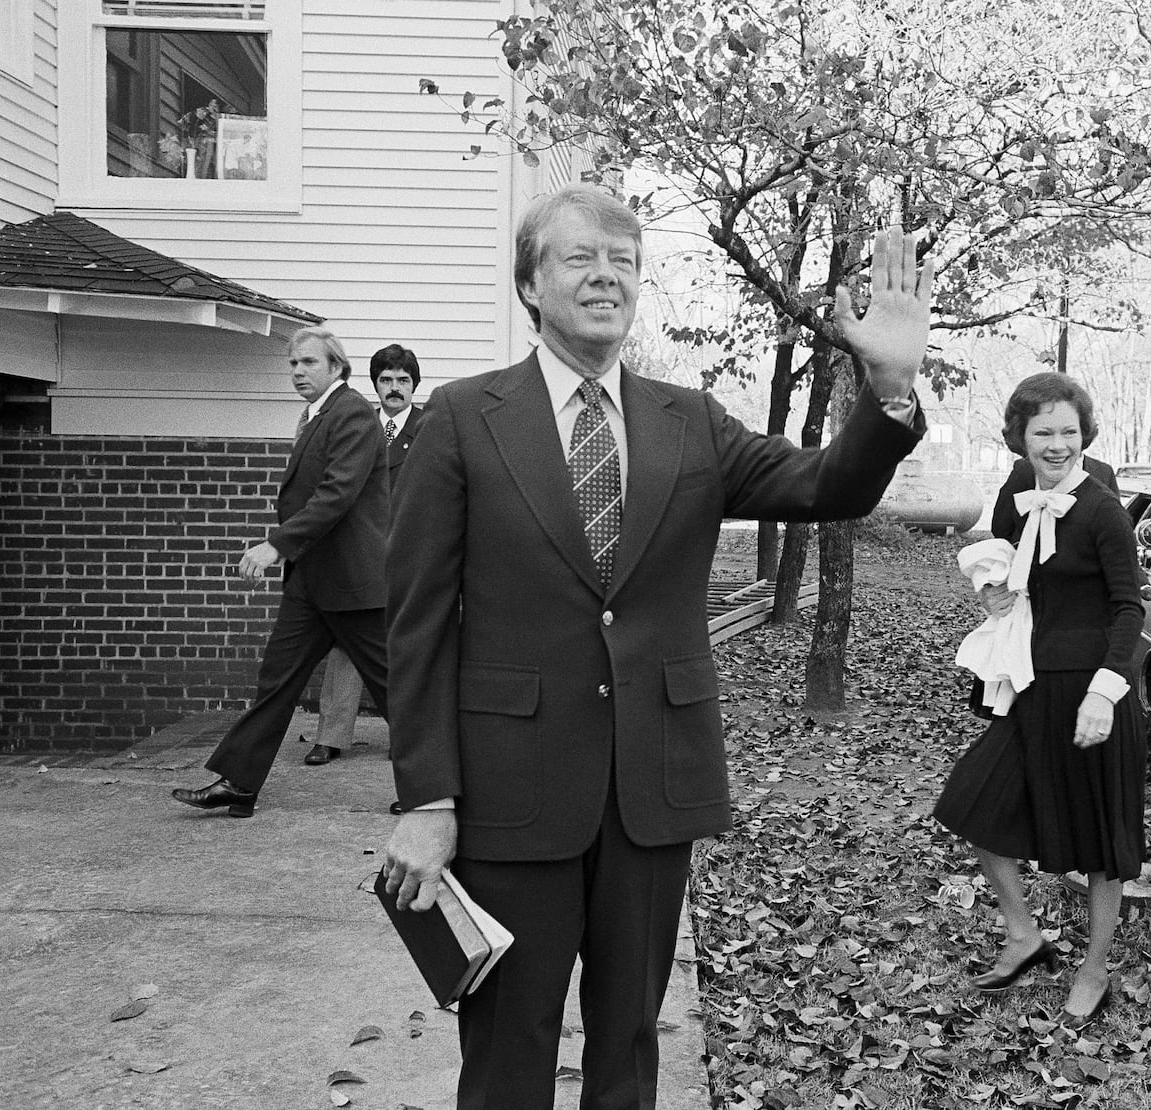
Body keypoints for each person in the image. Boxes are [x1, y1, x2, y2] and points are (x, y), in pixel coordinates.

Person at [377, 184, 933, 1109]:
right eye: (578, 258)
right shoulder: (462, 418)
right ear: (529, 285)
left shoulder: (691, 421)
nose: (605, 276)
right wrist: (428, 800)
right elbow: (418, 626)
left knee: (630, 1044)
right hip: (514, 794)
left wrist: (890, 390)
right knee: (510, 1049)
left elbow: (825, 485)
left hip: (652, 791)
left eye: (623, 261)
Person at [934, 372, 1145, 1031]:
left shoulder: (1103, 507)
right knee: (972, 804)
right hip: (1030, 687)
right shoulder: (1017, 496)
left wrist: (1104, 695)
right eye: (1042, 432)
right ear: (1019, 439)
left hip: (1091, 691)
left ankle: (1094, 968)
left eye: (1068, 432)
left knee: (1099, 843)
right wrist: (992, 592)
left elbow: (1130, 608)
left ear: (1086, 435)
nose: (1056, 444)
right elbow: (999, 565)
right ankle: (1024, 935)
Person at [171, 327, 391, 817]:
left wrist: (276, 544)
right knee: (276, 681)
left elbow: (336, 494)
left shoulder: (352, 412)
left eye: (308, 363)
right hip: (312, 583)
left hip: (354, 583)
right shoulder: (317, 415)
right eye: (292, 364)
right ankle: (240, 783)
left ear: (336, 366)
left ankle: (442, 792)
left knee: (397, 690)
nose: (297, 372)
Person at [303, 343, 426, 767]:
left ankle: (407, 737)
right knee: (347, 642)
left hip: (412, 556)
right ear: (374, 385)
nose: (394, 388)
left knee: (409, 645)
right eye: (386, 380)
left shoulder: (430, 429)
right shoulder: (358, 425)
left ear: (414, 386)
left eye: (403, 381)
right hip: (361, 554)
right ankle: (331, 735)